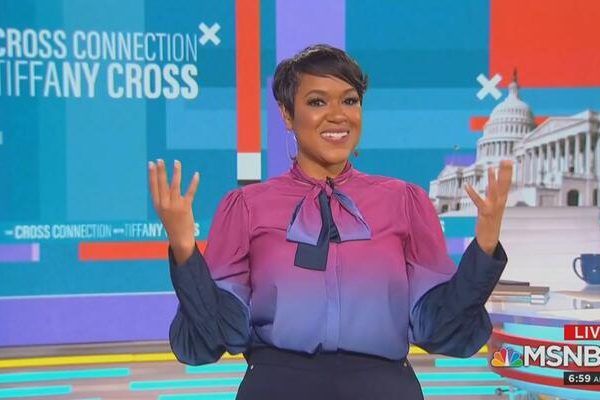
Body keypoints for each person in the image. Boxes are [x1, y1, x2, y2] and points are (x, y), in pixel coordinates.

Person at [147, 44, 512, 400]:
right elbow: (213, 334)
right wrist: (184, 249)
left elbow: (442, 324)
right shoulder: (246, 206)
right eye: (317, 102)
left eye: (349, 101)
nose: (338, 115)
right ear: (287, 114)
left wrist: (484, 247)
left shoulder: (404, 201)